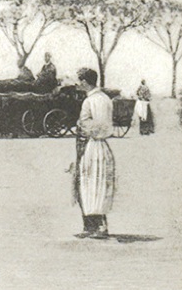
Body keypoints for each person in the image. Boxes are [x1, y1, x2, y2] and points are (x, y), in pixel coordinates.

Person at [74, 68, 116, 238]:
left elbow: (86, 125)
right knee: (98, 183)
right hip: (102, 146)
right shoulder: (105, 99)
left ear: (85, 82)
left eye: (79, 80)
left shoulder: (89, 101)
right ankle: (97, 225)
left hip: (91, 145)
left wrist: (80, 126)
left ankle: (95, 226)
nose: (77, 83)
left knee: (88, 183)